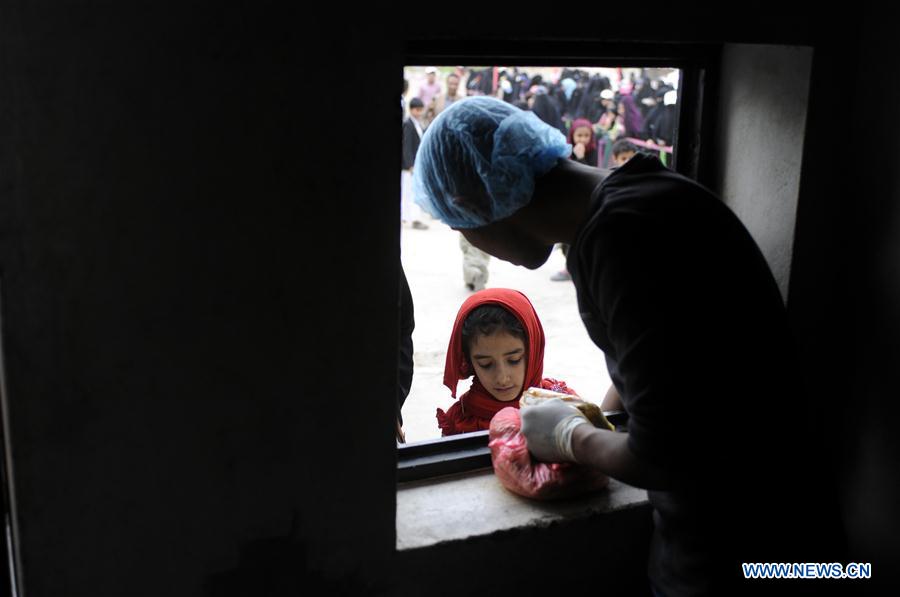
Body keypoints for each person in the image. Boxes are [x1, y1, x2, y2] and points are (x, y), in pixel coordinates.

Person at [413, 96, 843, 595]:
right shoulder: (644, 195)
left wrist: (575, 437)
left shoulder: (622, 241)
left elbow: (665, 453)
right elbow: (666, 373)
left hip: (749, 559)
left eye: (462, 230)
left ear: (472, 205)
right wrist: (596, 412)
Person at [436, 288, 576, 436]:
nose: (502, 378)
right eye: (486, 364)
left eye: (514, 360)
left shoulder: (562, 406)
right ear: (469, 361)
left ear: (533, 352)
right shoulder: (461, 421)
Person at [400, 97, 428, 230]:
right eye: (417, 110)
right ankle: (412, 218)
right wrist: (410, 164)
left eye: (421, 110)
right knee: (409, 193)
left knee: (411, 192)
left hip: (416, 165)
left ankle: (410, 217)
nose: (420, 112)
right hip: (409, 167)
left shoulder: (417, 124)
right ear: (411, 110)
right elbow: (406, 146)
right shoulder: (408, 124)